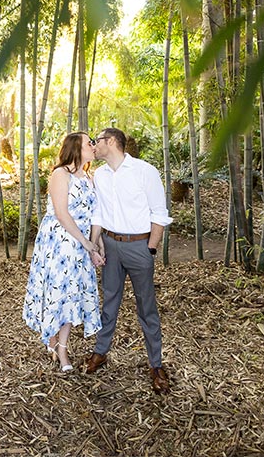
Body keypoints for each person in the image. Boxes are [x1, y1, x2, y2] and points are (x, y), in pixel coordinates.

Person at [85, 127, 173, 393]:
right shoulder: (99, 175)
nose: (93, 146)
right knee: (109, 300)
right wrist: (94, 245)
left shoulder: (144, 171)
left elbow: (159, 212)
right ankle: (101, 352)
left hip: (139, 246)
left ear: (110, 142)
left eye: (96, 141)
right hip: (110, 245)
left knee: (147, 307)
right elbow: (98, 213)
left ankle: (156, 364)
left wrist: (151, 249)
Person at [23, 132, 105, 372]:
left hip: (80, 244)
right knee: (58, 291)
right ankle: (55, 343)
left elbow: (95, 215)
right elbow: (61, 213)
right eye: (88, 142)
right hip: (59, 241)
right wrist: (86, 243)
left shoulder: (89, 177)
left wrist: (95, 243)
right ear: (75, 148)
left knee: (71, 296)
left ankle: (61, 346)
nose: (92, 146)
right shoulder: (61, 174)